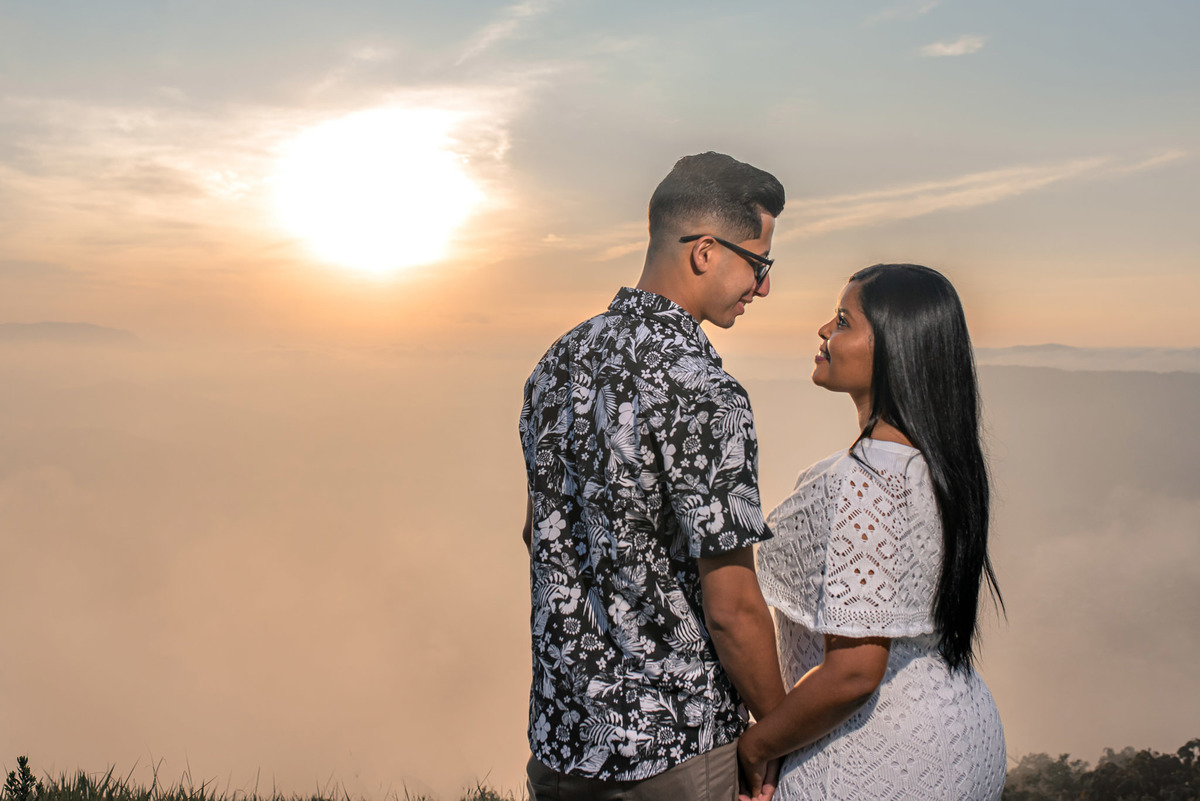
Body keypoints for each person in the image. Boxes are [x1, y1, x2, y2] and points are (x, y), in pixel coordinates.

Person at [519, 152, 789, 800]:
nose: (764, 286)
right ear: (705, 251)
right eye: (760, 263)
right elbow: (733, 608)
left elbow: (540, 534)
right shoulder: (704, 389)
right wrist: (780, 733)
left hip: (561, 744)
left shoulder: (556, 363)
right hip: (675, 754)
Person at [738, 264, 1006, 800]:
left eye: (842, 321)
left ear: (895, 350)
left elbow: (855, 672)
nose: (823, 331)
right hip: (959, 731)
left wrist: (757, 746)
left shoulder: (868, 481)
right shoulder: (935, 464)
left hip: (879, 759)